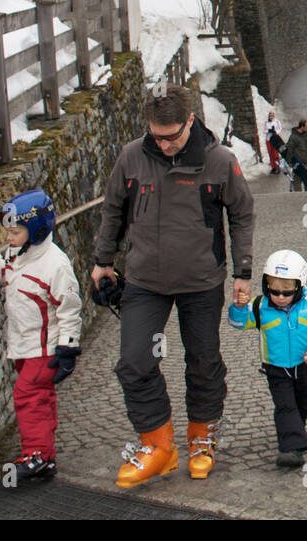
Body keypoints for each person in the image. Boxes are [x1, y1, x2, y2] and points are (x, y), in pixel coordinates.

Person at [93, 83, 255, 488]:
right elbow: (113, 208)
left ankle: (201, 438)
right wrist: (102, 262)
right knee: (134, 362)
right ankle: (158, 445)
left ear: (190, 122)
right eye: (156, 136)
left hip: (201, 281)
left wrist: (243, 271)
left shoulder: (220, 162)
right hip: (145, 281)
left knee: (202, 361)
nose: (163, 145)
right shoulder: (132, 156)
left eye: (172, 136)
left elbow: (242, 214)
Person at [0, 189, 82, 485]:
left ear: (36, 230)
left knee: (28, 396)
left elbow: (70, 307)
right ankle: (45, 456)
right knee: (40, 399)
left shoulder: (54, 265)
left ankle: (37, 454)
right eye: (7, 232)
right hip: (22, 345)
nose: (8, 238)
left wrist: (68, 347)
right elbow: (10, 279)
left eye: (15, 232)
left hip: (44, 348)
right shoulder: (18, 254)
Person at [228, 251, 307, 468]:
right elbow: (238, 323)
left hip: (304, 366)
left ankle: (294, 432)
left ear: (299, 286)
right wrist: (239, 307)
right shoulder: (260, 307)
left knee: (302, 403)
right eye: (274, 291)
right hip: (276, 368)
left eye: (286, 292)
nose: (280, 297)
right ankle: (291, 449)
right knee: (285, 405)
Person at [285, 119, 307, 191]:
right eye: (306, 127)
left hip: (306, 161)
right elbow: (290, 149)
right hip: (298, 163)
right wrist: (289, 161)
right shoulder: (293, 137)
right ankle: (298, 196)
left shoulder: (305, 134)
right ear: (302, 127)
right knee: (297, 181)